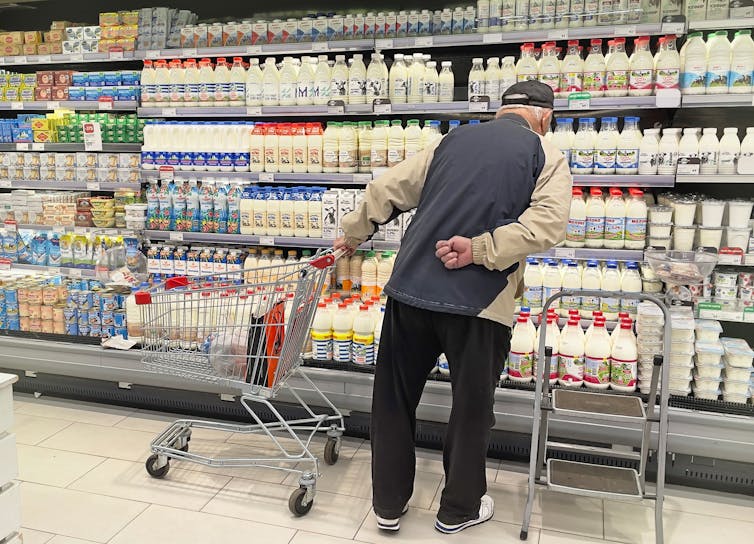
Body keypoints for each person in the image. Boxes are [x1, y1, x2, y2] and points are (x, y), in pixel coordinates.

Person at [335, 80, 572, 535]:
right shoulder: (549, 156)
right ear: (545, 117)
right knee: (470, 409)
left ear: (502, 111)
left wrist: (353, 232)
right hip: (480, 303)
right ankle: (458, 509)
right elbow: (547, 225)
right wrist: (482, 249)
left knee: (393, 400)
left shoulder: (451, 139)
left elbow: (388, 188)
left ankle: (387, 505)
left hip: (412, 290)